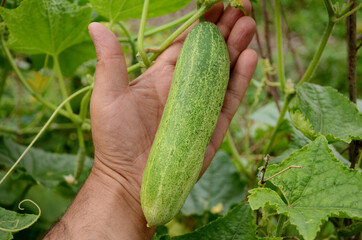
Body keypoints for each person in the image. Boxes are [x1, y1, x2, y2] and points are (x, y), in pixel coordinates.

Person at [43, 1, 257, 239]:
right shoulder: (204, 42)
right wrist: (116, 175)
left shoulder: (206, 41)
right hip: (155, 193)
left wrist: (116, 181)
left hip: (155, 195)